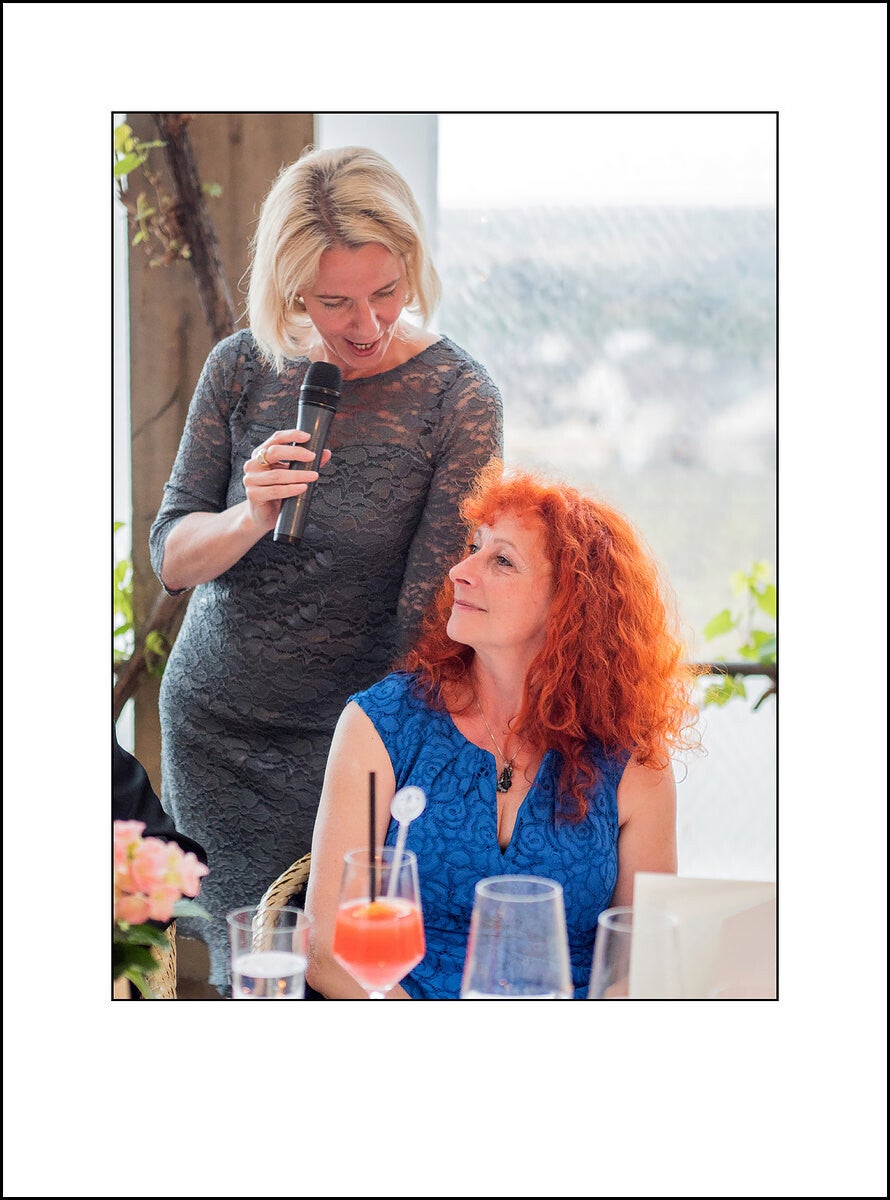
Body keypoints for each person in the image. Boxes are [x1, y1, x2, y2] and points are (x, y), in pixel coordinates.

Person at [148, 145, 503, 994]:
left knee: (351, 974)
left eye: (387, 291)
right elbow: (172, 556)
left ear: (413, 264)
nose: (367, 324)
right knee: (252, 972)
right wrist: (250, 513)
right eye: (335, 301)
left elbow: (431, 619)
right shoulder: (241, 367)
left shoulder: (459, 399)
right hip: (216, 733)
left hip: (353, 747)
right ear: (290, 289)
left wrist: (388, 764)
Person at [304, 460, 700, 998]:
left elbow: (643, 958)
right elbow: (328, 950)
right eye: (474, 547)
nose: (459, 571)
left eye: (503, 561)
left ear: (569, 605)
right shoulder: (380, 723)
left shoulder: (634, 760)